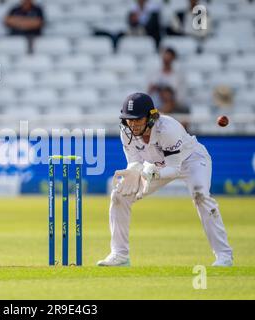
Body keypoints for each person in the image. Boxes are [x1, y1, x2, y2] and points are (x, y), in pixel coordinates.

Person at [97, 92, 233, 267]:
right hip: (157, 166)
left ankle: (224, 256)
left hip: (191, 160)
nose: (133, 124)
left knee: (201, 197)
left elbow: (174, 169)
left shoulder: (168, 128)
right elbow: (134, 162)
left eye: (137, 119)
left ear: (151, 117)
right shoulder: (126, 130)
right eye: (129, 119)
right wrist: (133, 172)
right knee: (119, 195)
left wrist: (151, 173)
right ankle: (119, 254)